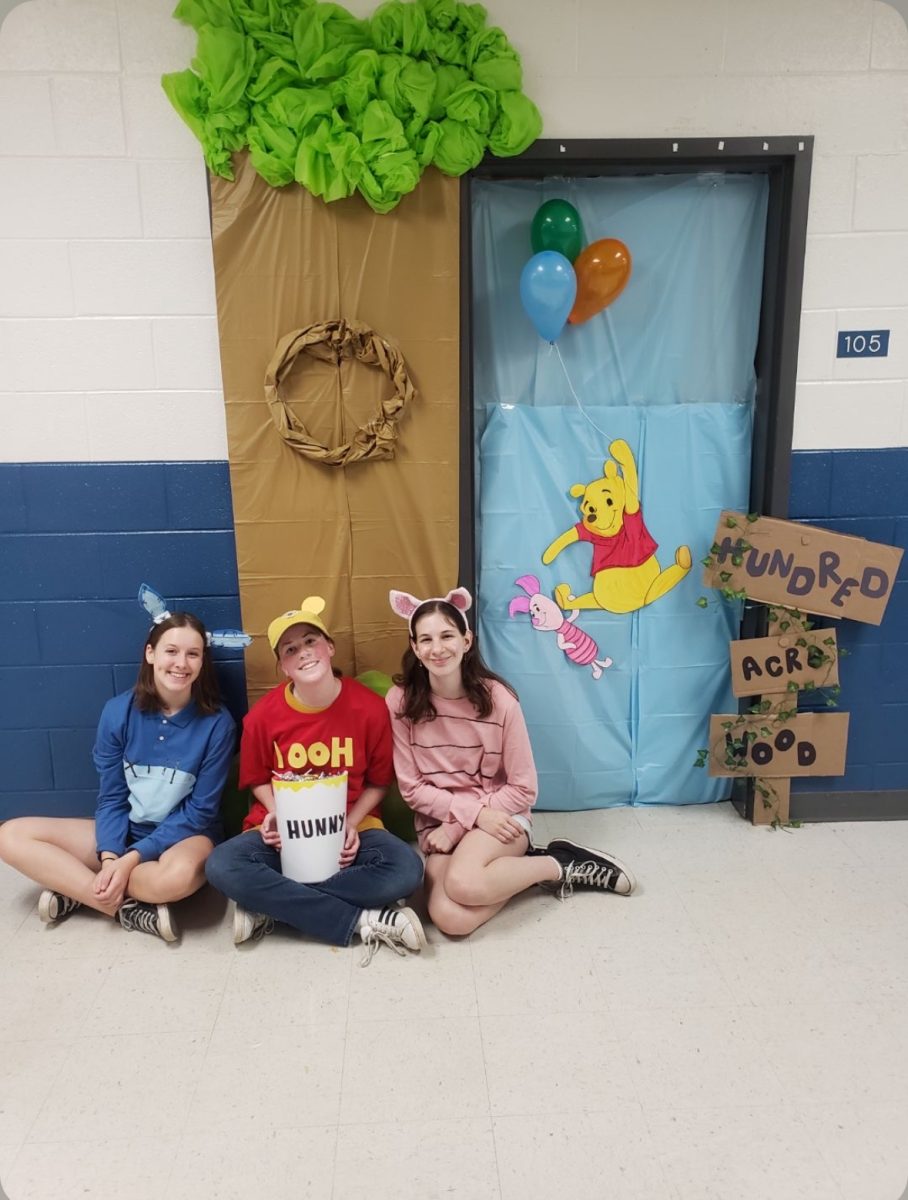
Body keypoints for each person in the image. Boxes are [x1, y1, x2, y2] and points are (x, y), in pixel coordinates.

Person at [386, 587, 636, 937]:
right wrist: (462, 819)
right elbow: (412, 789)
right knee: (449, 918)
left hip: (499, 816)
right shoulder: (401, 702)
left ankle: (557, 864)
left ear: (466, 639)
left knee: (463, 883)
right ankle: (521, 871)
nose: (437, 648)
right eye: (425, 639)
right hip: (438, 826)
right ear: (414, 647)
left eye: (447, 635)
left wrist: (464, 822)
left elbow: (523, 788)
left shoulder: (500, 701)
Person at [204, 597, 425, 964]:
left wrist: (352, 824)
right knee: (221, 865)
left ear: (330, 648)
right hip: (280, 834)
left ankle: (272, 905)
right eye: (291, 650)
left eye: (311, 641)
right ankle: (362, 920)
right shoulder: (262, 717)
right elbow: (257, 779)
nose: (304, 653)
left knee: (407, 870)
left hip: (351, 831)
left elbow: (378, 782)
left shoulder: (369, 708)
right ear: (283, 667)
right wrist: (277, 814)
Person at [0, 609, 237, 942]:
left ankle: (79, 888)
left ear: (201, 662)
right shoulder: (118, 712)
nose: (181, 663)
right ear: (151, 653)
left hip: (185, 837)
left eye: (192, 654)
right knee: (10, 835)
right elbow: (111, 798)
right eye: (171, 651)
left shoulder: (217, 724)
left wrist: (130, 861)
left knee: (176, 878)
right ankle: (115, 903)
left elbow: (200, 813)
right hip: (126, 832)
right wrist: (111, 855)